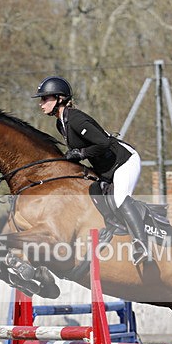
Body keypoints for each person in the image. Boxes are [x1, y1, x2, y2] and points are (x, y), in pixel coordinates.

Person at [32, 76, 149, 265]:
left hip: (124, 161)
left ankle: (142, 245)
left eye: (45, 98)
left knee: (120, 198)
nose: (41, 103)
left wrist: (81, 153)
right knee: (93, 190)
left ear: (59, 98)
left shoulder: (75, 118)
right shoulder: (61, 123)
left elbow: (104, 143)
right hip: (106, 168)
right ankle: (113, 226)